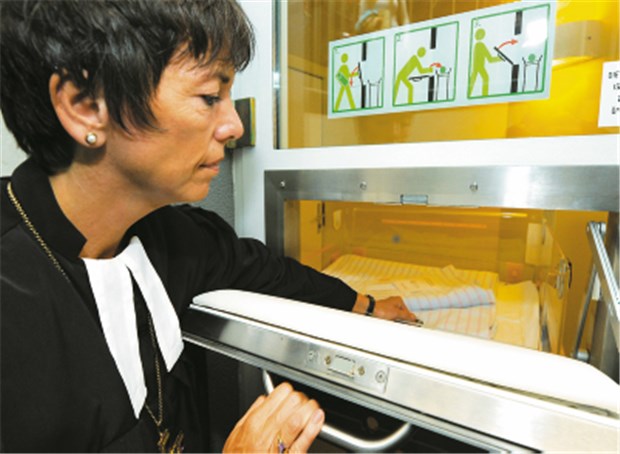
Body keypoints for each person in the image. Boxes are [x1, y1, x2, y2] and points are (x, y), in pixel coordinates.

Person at [0, 0, 418, 452]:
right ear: (85, 106)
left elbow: (263, 268)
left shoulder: (170, 237)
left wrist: (366, 306)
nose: (234, 126)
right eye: (209, 97)